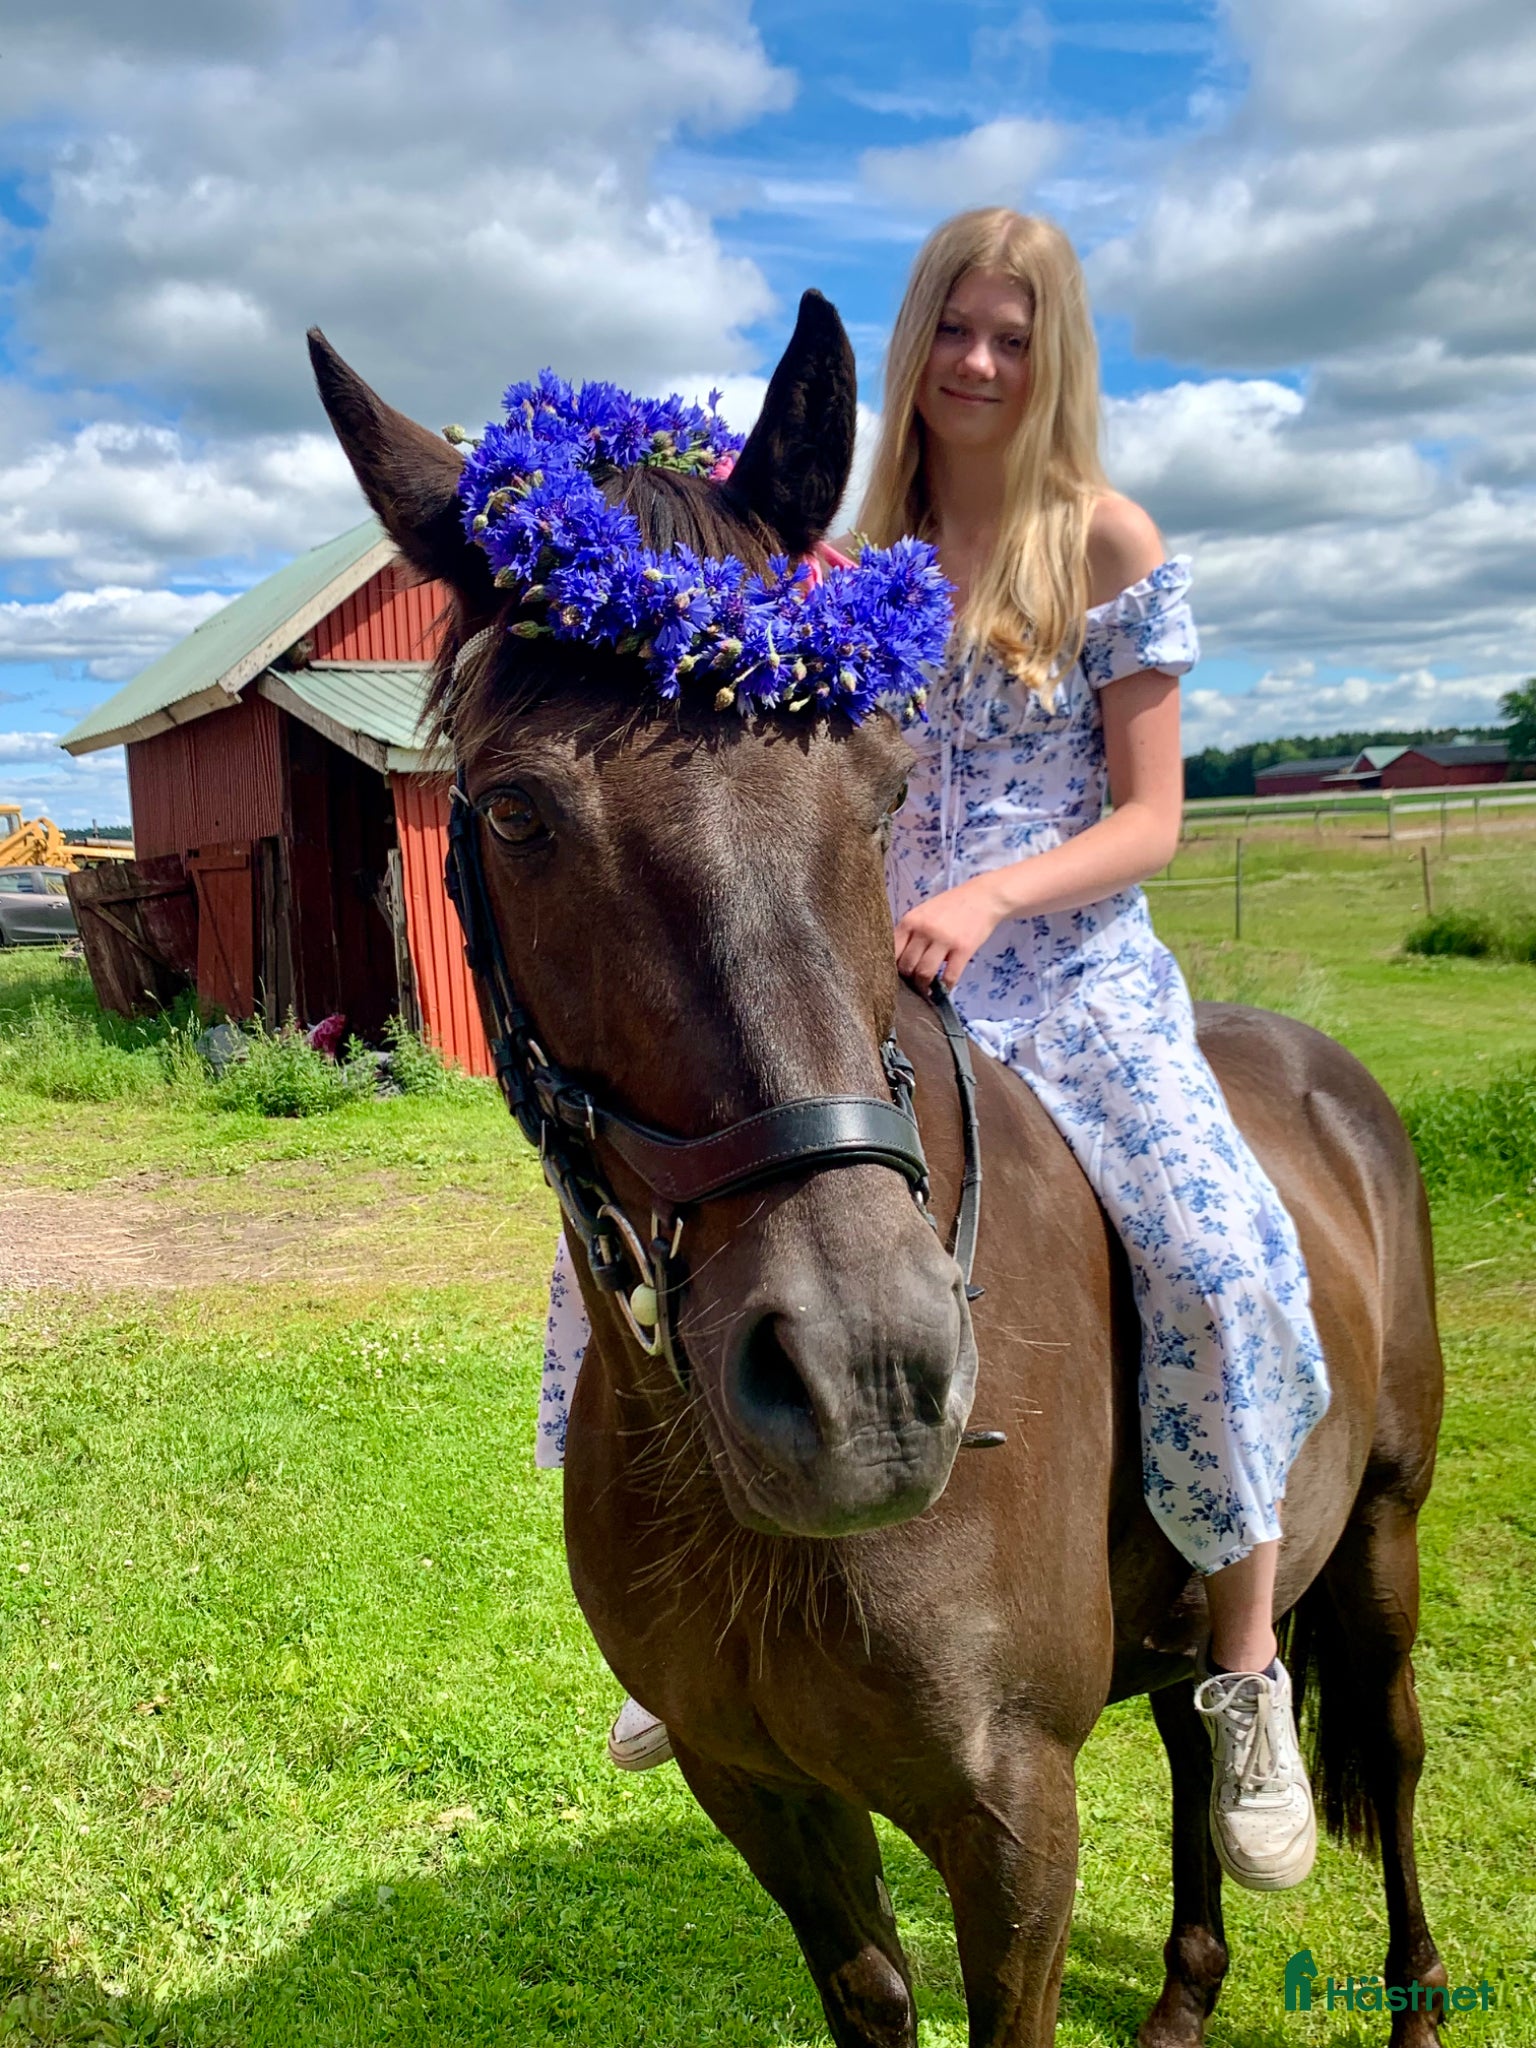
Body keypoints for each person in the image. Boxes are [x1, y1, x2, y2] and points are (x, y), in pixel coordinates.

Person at [542, 207, 1331, 1892]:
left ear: (1056, 361)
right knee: (637, 1219)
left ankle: (1248, 1664)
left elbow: (1152, 821)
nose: (977, 362)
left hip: (1062, 965)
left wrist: (985, 900)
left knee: (1219, 1252)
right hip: (863, 962)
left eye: (1014, 336)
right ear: (915, 347)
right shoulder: (836, 556)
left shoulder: (1102, 543)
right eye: (955, 329)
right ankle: (692, 1639)